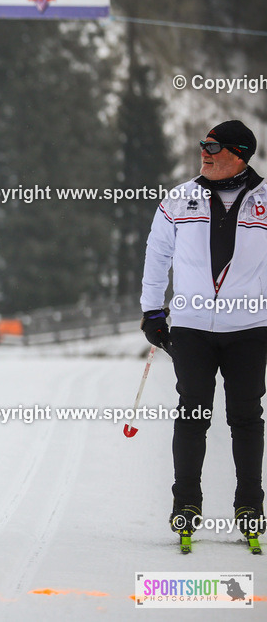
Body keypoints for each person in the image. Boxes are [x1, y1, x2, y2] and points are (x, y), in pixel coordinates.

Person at [140, 119, 267, 543]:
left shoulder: (265, 200)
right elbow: (157, 253)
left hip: (249, 328)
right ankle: (186, 503)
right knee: (193, 413)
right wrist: (152, 311)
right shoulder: (180, 198)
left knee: (245, 417)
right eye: (203, 145)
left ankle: (250, 503)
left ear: (239, 155)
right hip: (192, 327)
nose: (204, 153)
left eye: (213, 147)